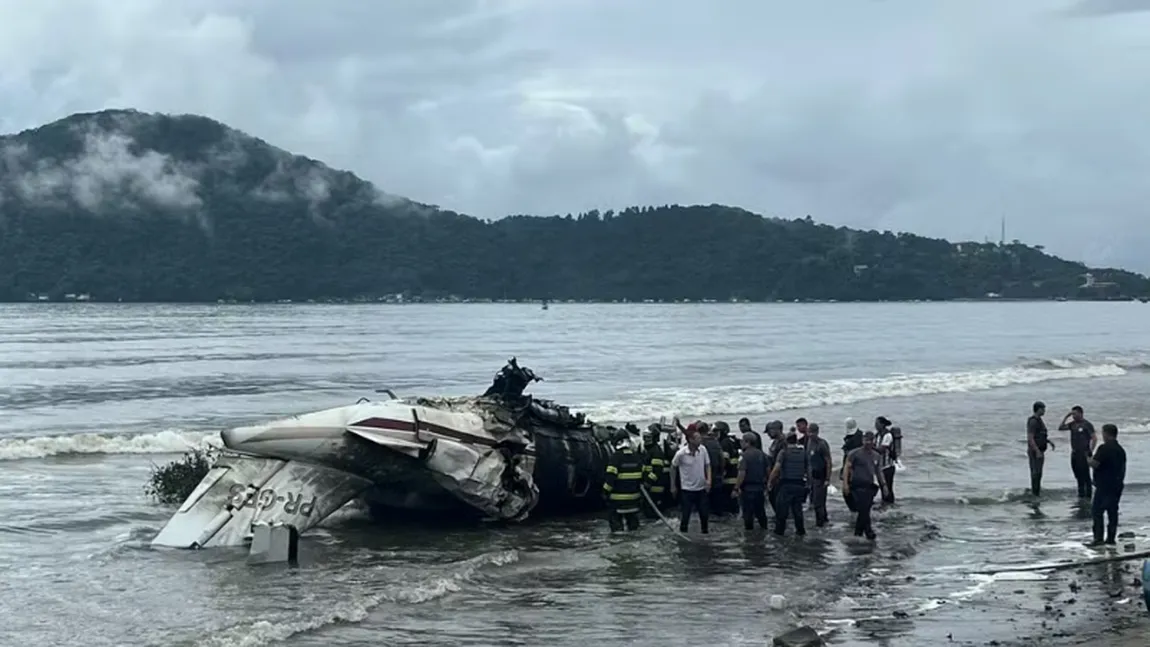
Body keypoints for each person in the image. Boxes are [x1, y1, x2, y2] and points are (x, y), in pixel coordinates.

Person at [842, 431, 890, 540]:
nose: (867, 443)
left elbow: (879, 472)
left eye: (870, 440)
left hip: (869, 485)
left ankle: (860, 534)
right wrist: (845, 484)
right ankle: (867, 532)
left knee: (865, 510)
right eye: (865, 440)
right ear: (862, 440)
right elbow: (846, 468)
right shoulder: (854, 453)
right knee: (863, 509)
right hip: (856, 485)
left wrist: (884, 486)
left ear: (873, 441)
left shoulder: (876, 455)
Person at [1087, 423, 1126, 547]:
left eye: (1103, 433)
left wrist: (1087, 459)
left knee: (1097, 511)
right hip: (1117, 484)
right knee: (1112, 511)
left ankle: (1098, 538)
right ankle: (1110, 538)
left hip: (1104, 485)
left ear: (1106, 434)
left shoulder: (1104, 448)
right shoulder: (1120, 450)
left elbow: (1095, 464)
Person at [769, 432, 810, 536]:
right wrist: (809, 483)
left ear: (786, 441)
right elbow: (809, 469)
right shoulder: (803, 452)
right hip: (800, 484)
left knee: (781, 512)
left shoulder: (783, 453)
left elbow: (776, 469)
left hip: (786, 485)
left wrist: (770, 482)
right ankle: (801, 532)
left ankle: (779, 534)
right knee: (797, 510)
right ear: (796, 440)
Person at [671, 429, 711, 534]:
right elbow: (673, 467)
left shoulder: (703, 450)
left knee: (704, 515)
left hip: (701, 488)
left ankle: (705, 535)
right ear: (690, 440)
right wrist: (673, 486)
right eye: (698, 438)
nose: (700, 439)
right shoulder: (681, 454)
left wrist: (709, 480)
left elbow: (708, 465)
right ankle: (683, 534)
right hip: (687, 490)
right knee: (685, 516)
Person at [602, 436, 644, 532]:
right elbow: (643, 477)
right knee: (634, 528)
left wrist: (604, 492)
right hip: (634, 500)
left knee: (617, 530)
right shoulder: (637, 457)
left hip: (617, 501)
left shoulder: (615, 457)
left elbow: (610, 479)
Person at [733, 431, 770, 530]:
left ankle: (749, 537)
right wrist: (768, 484)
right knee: (761, 512)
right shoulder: (762, 454)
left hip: (748, 489)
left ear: (747, 442)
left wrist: (736, 488)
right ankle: (764, 531)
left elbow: (742, 473)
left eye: (742, 441)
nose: (741, 443)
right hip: (760, 489)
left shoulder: (744, 456)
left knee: (748, 514)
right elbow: (768, 471)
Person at [1059, 406, 1097, 499]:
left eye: (1075, 414)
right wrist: (1066, 417)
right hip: (1075, 453)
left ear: (1081, 413)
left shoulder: (1087, 424)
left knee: (1085, 475)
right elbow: (1061, 428)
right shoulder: (1072, 424)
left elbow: (1094, 438)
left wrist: (1090, 450)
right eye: (1072, 414)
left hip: (1084, 453)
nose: (1073, 416)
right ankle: (1081, 494)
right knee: (1077, 474)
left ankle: (1088, 496)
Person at [805, 423, 833, 527]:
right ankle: (825, 520)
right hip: (812, 476)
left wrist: (827, 478)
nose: (811, 434)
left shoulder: (822, 444)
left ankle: (820, 524)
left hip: (820, 477)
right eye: (809, 432)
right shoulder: (808, 442)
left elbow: (828, 461)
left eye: (813, 432)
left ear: (817, 432)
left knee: (818, 503)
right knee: (815, 501)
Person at [1026, 401, 1054, 496]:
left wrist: (1048, 441)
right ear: (1038, 409)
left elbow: (1040, 435)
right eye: (1043, 409)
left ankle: (1036, 491)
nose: (1044, 411)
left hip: (1040, 450)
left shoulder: (1039, 420)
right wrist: (1037, 450)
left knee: (1039, 473)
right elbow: (1030, 438)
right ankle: (1035, 493)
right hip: (1035, 451)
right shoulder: (1033, 421)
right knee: (1036, 473)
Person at [699, 424, 728, 516]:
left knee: (704, 499)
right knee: (717, 498)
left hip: (704, 474)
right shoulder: (715, 442)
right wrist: (722, 471)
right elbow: (722, 458)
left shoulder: (700, 443)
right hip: (717, 473)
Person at [641, 424, 670, 514]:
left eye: (648, 437)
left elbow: (657, 471)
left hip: (655, 486)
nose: (645, 439)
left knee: (654, 512)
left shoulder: (656, 451)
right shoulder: (647, 450)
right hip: (648, 487)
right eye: (644, 437)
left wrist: (648, 482)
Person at [716, 421, 741, 514]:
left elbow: (724, 460)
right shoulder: (732, 440)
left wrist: (721, 472)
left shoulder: (724, 443)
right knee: (733, 500)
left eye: (717, 431)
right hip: (735, 474)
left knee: (728, 500)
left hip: (728, 476)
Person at [763, 420, 786, 510]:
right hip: (774, 473)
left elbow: (780, 460)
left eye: (769, 432)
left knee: (777, 499)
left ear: (776, 430)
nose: (768, 435)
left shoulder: (783, 442)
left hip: (779, 476)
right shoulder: (775, 442)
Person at [876, 416, 897, 504]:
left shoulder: (888, 435)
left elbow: (882, 449)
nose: (876, 426)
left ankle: (890, 503)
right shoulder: (877, 435)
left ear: (882, 424)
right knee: (882, 487)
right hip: (880, 466)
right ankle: (885, 502)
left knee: (888, 487)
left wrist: (871, 447)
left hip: (888, 466)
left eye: (877, 424)